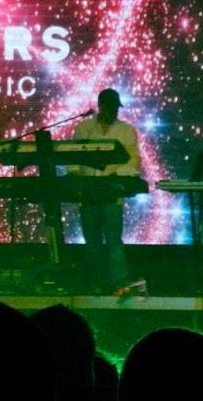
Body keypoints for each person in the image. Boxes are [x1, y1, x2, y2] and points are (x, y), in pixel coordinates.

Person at [72, 88, 140, 291]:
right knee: (91, 243)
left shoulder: (126, 131)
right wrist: (75, 178)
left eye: (116, 108)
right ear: (101, 107)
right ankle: (95, 284)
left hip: (112, 194)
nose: (115, 112)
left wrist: (115, 174)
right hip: (88, 193)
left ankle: (120, 283)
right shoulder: (84, 128)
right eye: (111, 108)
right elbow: (74, 158)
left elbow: (133, 162)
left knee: (113, 241)